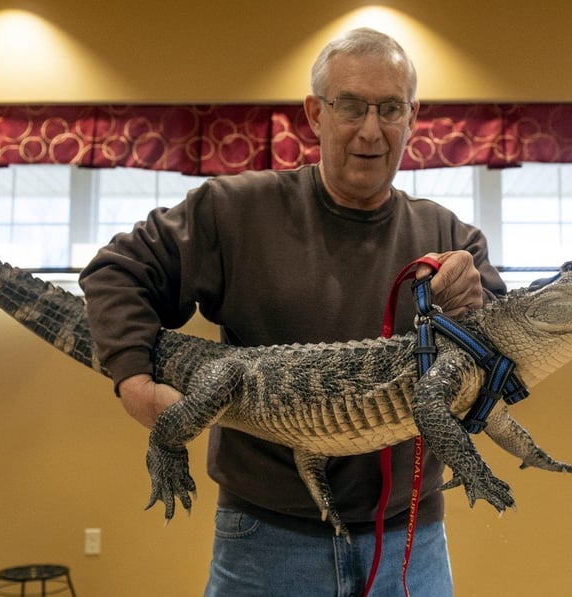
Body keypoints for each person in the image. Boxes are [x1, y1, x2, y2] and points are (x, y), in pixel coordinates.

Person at [79, 27, 507, 596]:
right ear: (315, 113)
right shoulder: (233, 210)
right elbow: (117, 273)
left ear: (412, 115)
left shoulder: (451, 238)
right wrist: (134, 382)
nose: (371, 130)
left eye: (389, 109)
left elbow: (501, 361)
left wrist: (476, 306)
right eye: (351, 106)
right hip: (264, 539)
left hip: (410, 542)